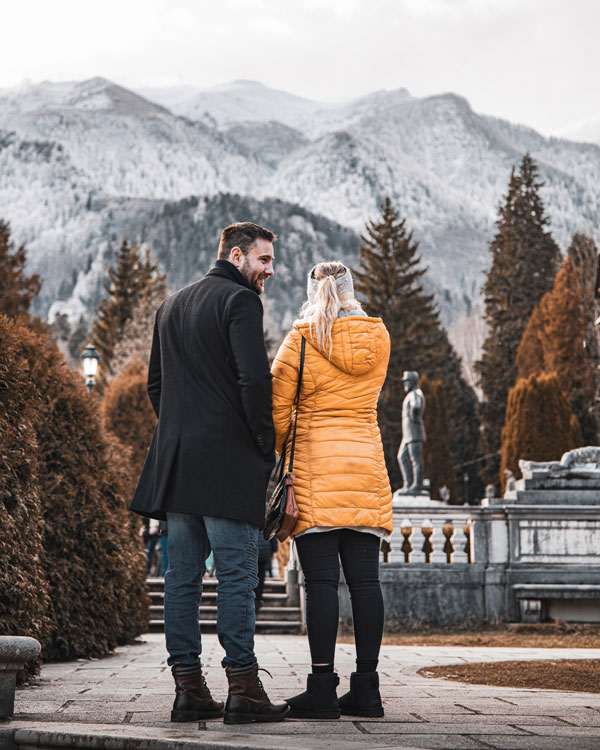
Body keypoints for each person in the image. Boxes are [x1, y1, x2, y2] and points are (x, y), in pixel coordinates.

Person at [130, 222, 289, 725]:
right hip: (227, 464)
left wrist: (184, 431)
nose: (269, 271)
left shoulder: (171, 305)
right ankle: (243, 687)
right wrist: (265, 446)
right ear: (237, 255)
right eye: (264, 260)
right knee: (238, 576)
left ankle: (188, 689)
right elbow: (253, 381)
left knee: (181, 578)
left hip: (179, 464)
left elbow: (156, 386)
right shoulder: (240, 302)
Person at [271, 261, 392, 720]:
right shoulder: (378, 337)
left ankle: (322, 686)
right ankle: (368, 689)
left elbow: (278, 415)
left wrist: (280, 455)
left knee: (319, 582)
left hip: (316, 471)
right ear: (351, 290)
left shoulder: (300, 338)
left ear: (311, 291)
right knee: (365, 583)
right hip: (365, 468)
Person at [397, 370, 426, 494]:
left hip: (414, 432)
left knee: (416, 459)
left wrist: (414, 417)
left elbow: (416, 405)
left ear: (413, 382)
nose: (405, 384)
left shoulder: (415, 393)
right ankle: (408, 483)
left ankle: (417, 485)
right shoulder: (411, 394)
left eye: (407, 381)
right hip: (407, 434)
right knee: (401, 457)